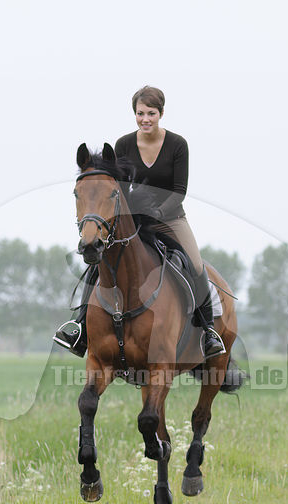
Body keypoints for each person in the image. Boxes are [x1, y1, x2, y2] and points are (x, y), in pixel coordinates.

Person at [54, 86, 225, 359]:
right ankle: (80, 326)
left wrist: (156, 212)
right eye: (140, 113)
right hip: (132, 218)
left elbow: (179, 189)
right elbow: (117, 187)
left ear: (161, 114)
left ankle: (207, 331)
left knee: (194, 263)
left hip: (171, 217)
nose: (145, 119)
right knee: (101, 262)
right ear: (134, 113)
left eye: (151, 113)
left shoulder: (178, 145)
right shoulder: (123, 144)